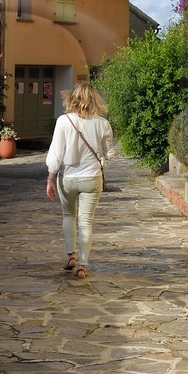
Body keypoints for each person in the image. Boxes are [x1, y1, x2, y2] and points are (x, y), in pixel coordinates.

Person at [44, 82, 116, 279]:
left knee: (69, 215)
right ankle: (83, 266)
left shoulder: (63, 121)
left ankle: (71, 256)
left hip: (67, 177)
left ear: (73, 99)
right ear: (95, 100)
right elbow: (110, 153)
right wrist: (100, 161)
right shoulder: (103, 123)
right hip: (92, 178)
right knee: (86, 222)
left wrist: (51, 178)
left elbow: (56, 154)